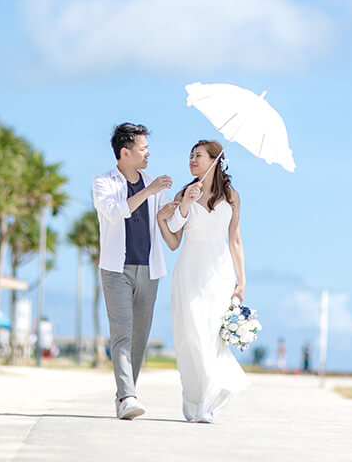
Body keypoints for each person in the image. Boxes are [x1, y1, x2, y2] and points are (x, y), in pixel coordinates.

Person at [157, 139, 248, 423]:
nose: (192, 160)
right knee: (191, 336)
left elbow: (234, 239)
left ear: (215, 160)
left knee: (212, 336)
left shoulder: (231, 196)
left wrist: (241, 281)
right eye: (190, 156)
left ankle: (204, 406)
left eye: (198, 156)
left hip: (219, 271)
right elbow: (173, 239)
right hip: (189, 270)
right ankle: (193, 397)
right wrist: (179, 208)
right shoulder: (185, 192)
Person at [92, 122, 173, 420]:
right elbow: (114, 212)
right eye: (143, 149)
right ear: (125, 152)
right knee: (122, 335)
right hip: (116, 270)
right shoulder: (103, 182)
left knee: (139, 338)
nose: (148, 154)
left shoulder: (155, 184)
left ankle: (125, 396)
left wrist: (183, 203)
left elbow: (170, 221)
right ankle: (128, 396)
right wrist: (149, 191)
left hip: (149, 270)